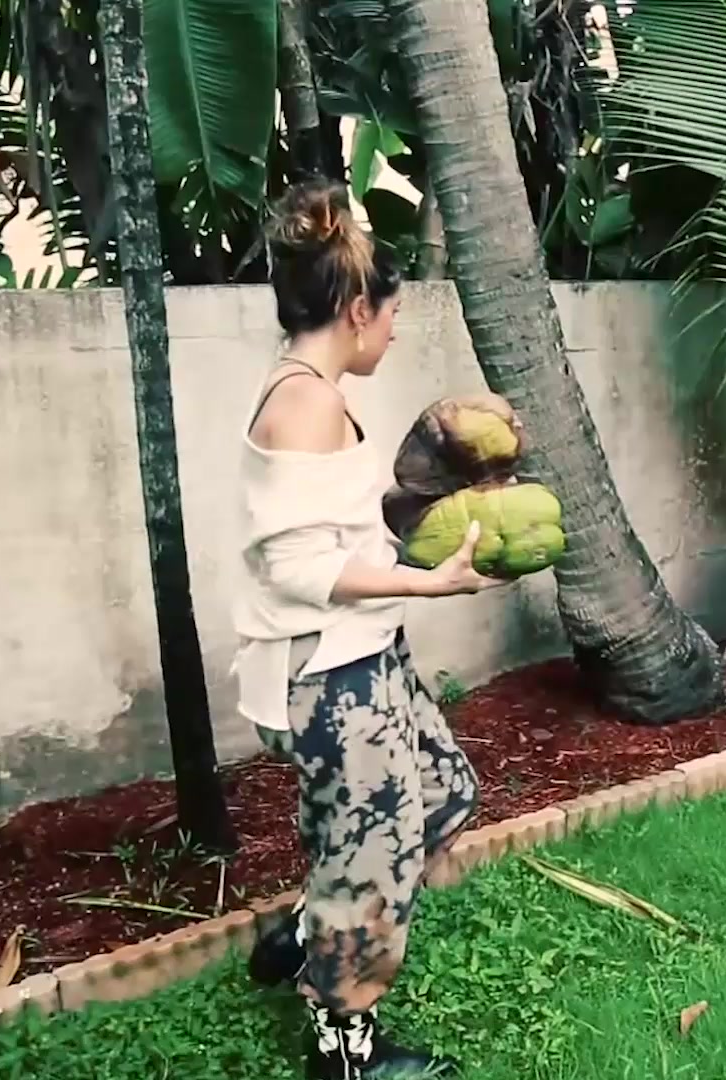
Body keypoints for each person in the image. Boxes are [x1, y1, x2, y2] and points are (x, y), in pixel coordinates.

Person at [232, 179, 501, 1078]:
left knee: (444, 792)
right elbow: (297, 565)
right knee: (370, 863)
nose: (394, 332)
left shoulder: (316, 391)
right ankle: (346, 1052)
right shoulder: (305, 402)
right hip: (329, 680)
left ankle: (308, 931)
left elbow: (339, 525)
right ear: (357, 311)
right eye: (392, 316)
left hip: (364, 660)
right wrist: (429, 584)